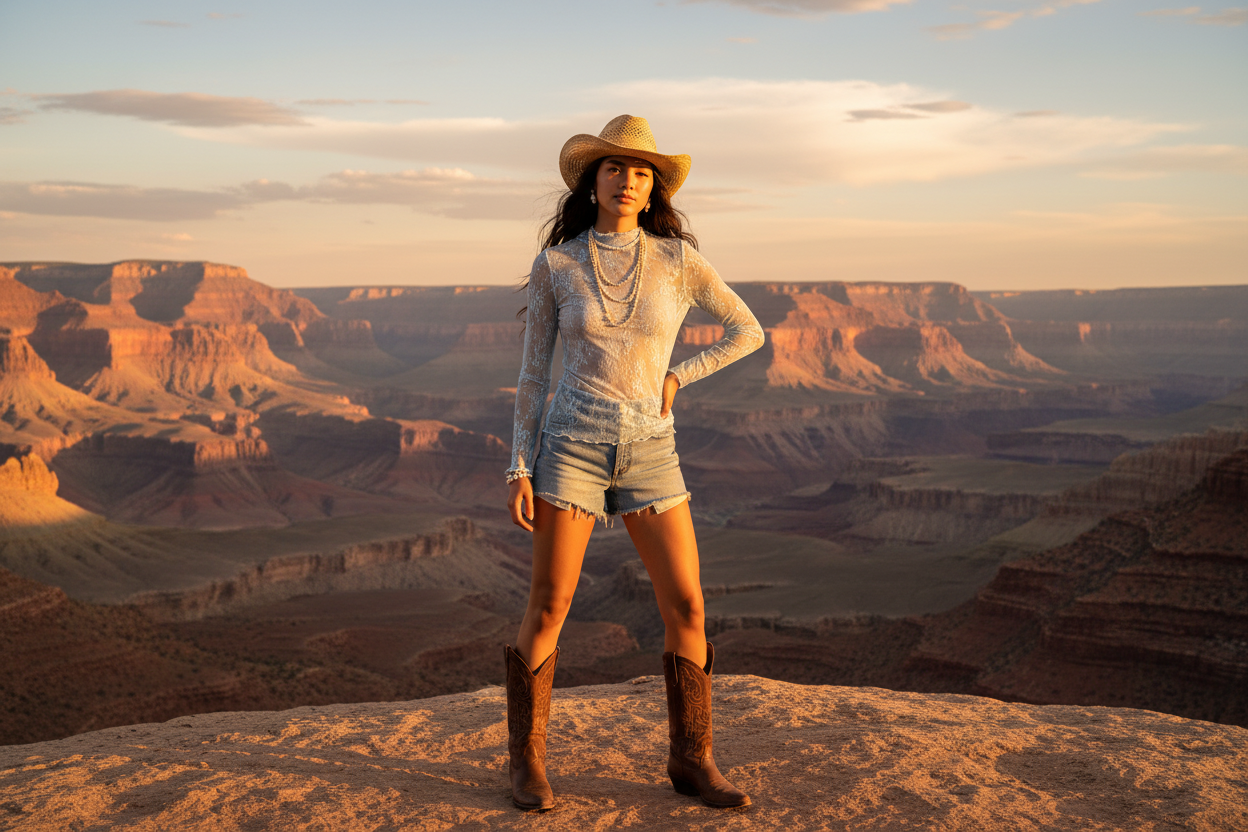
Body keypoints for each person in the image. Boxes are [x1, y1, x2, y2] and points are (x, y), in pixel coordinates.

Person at [503, 114, 765, 811]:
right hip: (572, 445)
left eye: (641, 171)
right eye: (614, 168)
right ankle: (525, 763)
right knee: (551, 603)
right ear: (592, 182)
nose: (627, 180)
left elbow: (749, 330)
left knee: (686, 602)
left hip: (651, 447)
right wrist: (517, 466)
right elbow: (533, 375)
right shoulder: (557, 264)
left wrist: (682, 375)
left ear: (654, 190)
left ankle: (693, 759)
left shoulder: (679, 263)